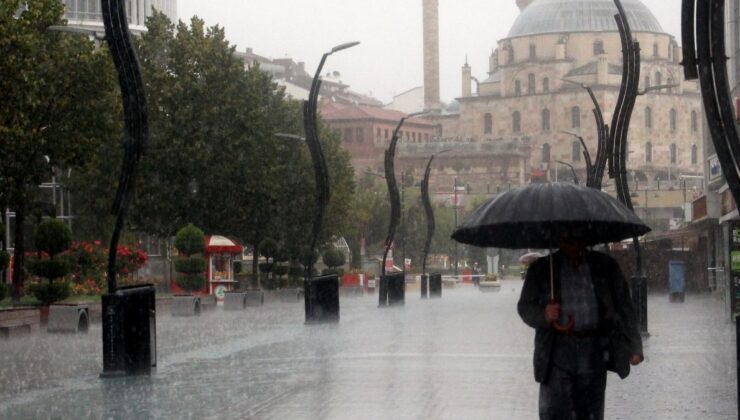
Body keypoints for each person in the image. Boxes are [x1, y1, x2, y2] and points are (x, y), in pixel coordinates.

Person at [517, 234, 643, 420]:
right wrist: (544, 314)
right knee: (557, 411)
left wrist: (634, 346)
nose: (574, 246)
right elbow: (525, 306)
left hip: (594, 350)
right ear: (560, 240)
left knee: (591, 412)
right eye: (568, 240)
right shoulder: (543, 269)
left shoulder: (605, 266)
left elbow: (624, 306)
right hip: (556, 353)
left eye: (578, 239)